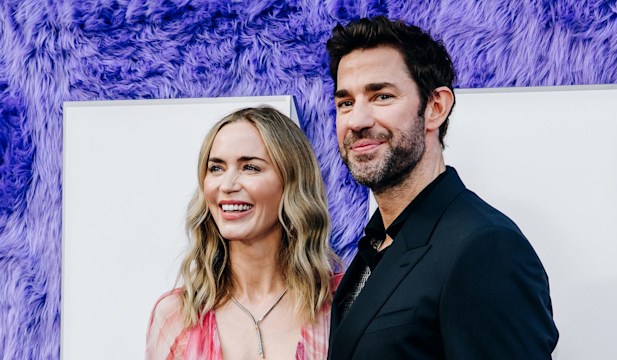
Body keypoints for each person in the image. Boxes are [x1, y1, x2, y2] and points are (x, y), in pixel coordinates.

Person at [325, 16, 559, 359]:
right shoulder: (375, 244)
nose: (357, 121)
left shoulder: (485, 247)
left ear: (435, 108)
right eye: (345, 102)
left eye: (382, 96)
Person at [145, 106, 341, 360]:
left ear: (292, 181)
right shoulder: (176, 315)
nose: (226, 185)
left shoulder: (341, 304)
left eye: (250, 168)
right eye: (216, 168)